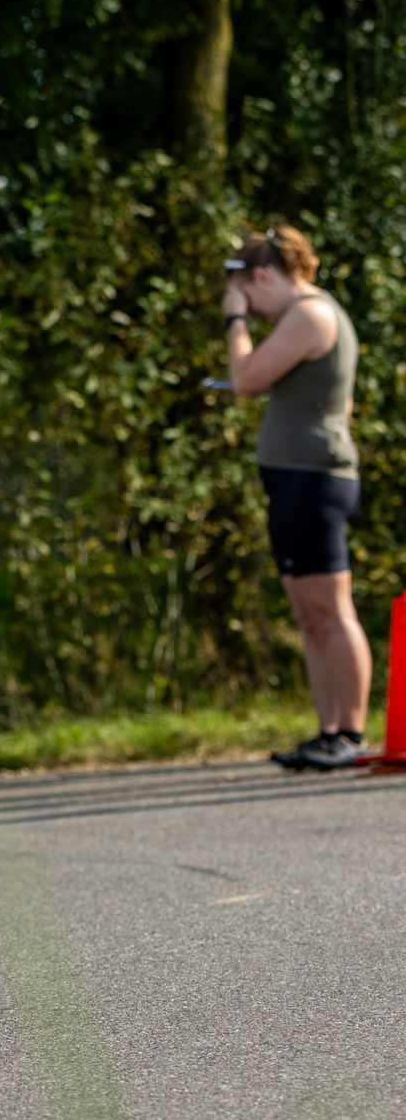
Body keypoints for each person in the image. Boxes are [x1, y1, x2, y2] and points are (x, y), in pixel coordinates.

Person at [222, 223, 370, 771]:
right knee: (310, 616)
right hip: (294, 479)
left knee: (332, 610)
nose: (252, 310)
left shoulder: (309, 313)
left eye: (251, 294)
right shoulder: (303, 315)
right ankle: (328, 731)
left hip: (315, 479)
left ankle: (350, 733)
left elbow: (246, 378)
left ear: (264, 275)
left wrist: (234, 317)